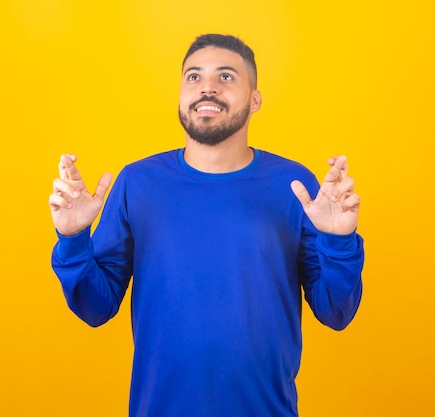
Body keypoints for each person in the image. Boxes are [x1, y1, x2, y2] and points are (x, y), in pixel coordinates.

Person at [49, 34, 364, 417]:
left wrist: (340, 240)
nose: (207, 88)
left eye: (226, 77)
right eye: (193, 77)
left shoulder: (295, 186)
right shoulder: (137, 182)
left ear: (255, 99)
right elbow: (94, 307)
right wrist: (72, 239)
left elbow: (337, 312)